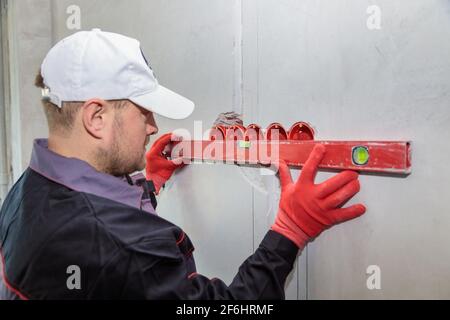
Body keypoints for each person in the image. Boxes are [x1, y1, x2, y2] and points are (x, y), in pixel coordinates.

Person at [0, 29, 366, 300]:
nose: (153, 126)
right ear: (96, 117)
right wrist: (289, 231)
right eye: (143, 111)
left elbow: (95, 227)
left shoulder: (24, 194)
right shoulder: (126, 246)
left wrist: (149, 183)